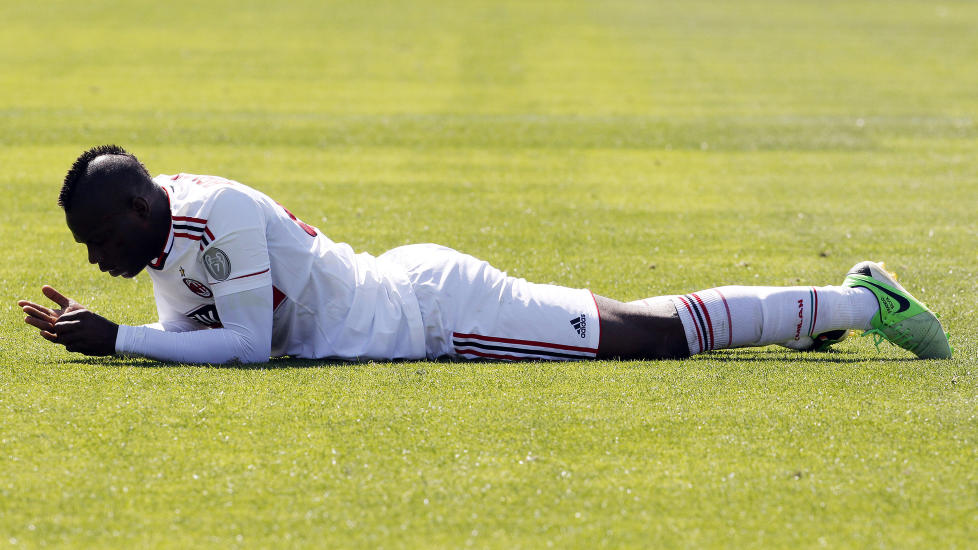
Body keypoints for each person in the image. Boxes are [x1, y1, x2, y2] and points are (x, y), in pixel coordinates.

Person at [18, 145, 952, 365]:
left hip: (439, 312)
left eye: (102, 237)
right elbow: (204, 338)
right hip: (415, 290)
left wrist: (120, 342)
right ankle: (821, 316)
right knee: (646, 326)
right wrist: (129, 329)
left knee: (652, 334)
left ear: (142, 207)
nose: (97, 255)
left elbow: (249, 350)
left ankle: (860, 300)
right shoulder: (163, 249)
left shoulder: (216, 213)